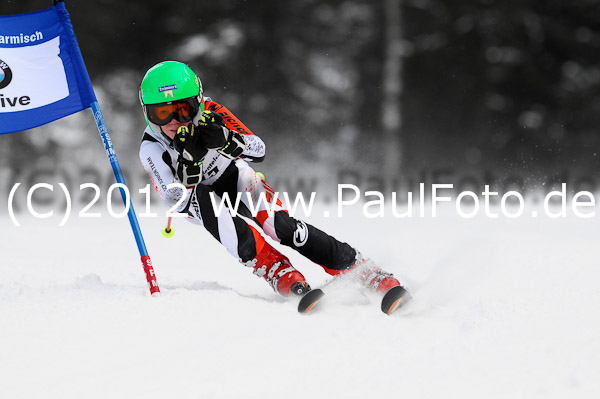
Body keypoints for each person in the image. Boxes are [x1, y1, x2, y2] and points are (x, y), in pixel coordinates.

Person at [138, 60, 404, 300]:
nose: (174, 121)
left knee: (281, 226)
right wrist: (190, 165)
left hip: (233, 177)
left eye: (183, 110)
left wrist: (229, 141)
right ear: (148, 114)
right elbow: (175, 198)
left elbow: (258, 149)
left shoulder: (212, 113)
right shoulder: (151, 148)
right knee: (214, 210)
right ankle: (276, 269)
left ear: (198, 102)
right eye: (162, 114)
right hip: (197, 198)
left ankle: (359, 268)